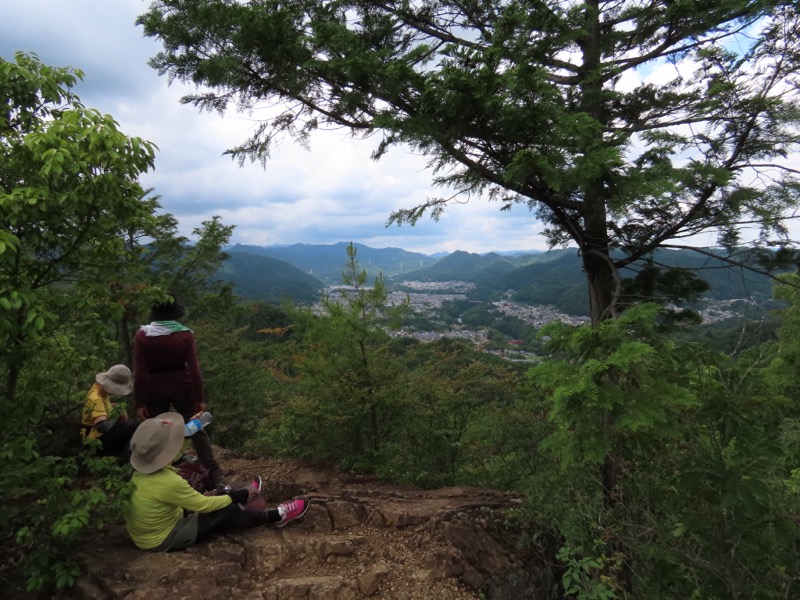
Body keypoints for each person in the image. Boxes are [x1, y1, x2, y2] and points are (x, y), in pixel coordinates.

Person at [123, 412, 310, 551]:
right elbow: (204, 506)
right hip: (163, 538)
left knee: (200, 491)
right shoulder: (168, 481)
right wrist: (238, 496)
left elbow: (175, 454)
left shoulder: (137, 471)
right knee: (229, 511)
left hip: (148, 532)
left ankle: (236, 495)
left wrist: (191, 429)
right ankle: (278, 516)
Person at [133, 294, 223, 486]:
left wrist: (139, 402)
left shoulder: (143, 336)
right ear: (174, 314)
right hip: (183, 385)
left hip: (154, 387)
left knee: (158, 429)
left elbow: (139, 372)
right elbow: (195, 370)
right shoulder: (185, 334)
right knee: (197, 429)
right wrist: (200, 398)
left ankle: (158, 471)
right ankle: (213, 472)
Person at [80, 364, 139, 458]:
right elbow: (101, 427)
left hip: (97, 436)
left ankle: (121, 452)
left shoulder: (99, 390)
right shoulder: (97, 398)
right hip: (95, 440)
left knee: (126, 426)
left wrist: (114, 410)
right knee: (136, 427)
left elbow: (99, 410)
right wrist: (116, 413)